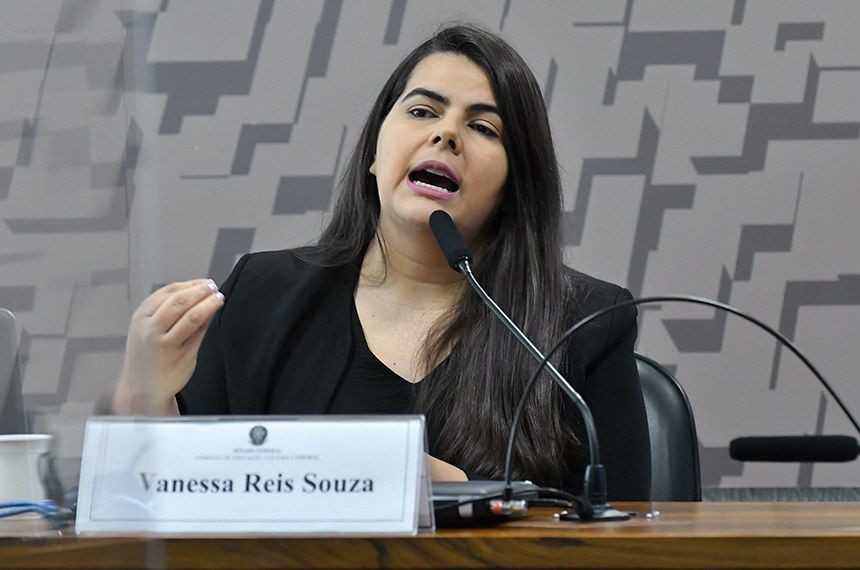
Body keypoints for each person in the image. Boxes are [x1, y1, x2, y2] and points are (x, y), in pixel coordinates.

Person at [112, 24, 651, 500]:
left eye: (484, 128)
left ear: (514, 185)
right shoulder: (262, 295)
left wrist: (449, 490)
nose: (445, 134)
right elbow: (176, 503)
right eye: (422, 111)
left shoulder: (582, 323)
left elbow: (623, 534)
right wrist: (144, 394)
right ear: (375, 152)